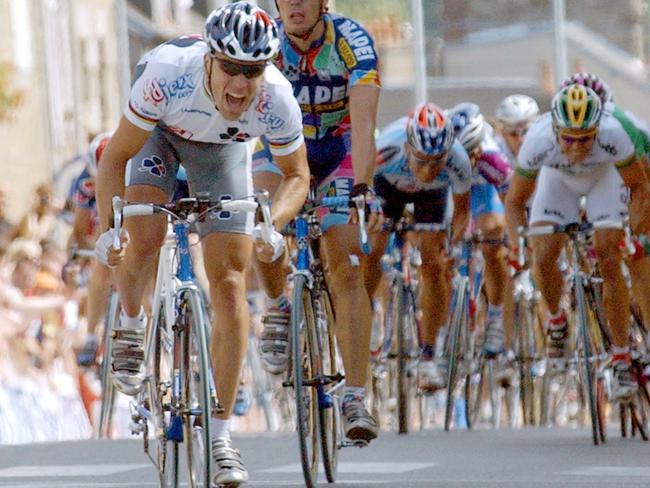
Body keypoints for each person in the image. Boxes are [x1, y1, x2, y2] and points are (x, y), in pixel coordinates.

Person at [94, 3, 309, 485]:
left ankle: (219, 436)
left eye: (252, 70)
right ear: (209, 58)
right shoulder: (167, 74)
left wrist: (273, 225)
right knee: (143, 234)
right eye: (230, 66)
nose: (240, 83)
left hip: (224, 153)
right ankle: (130, 321)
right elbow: (115, 158)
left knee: (230, 283)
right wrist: (112, 226)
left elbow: (297, 176)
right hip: (159, 136)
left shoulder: (276, 97)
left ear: (267, 69)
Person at [252, 0, 382, 442]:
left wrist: (363, 187)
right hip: (283, 152)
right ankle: (277, 305)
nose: (295, 4)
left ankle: (356, 395)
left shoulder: (352, 41)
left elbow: (364, 126)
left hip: (337, 153)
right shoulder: (264, 40)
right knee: (260, 219)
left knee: (346, 261)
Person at [505, 84, 650, 401]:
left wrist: (634, 233)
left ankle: (622, 356)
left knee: (609, 253)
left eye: (585, 138)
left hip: (604, 179)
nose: (577, 146)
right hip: (557, 182)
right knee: (542, 253)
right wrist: (517, 243)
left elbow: (639, 188)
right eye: (568, 137)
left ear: (598, 128)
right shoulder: (538, 141)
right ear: (555, 129)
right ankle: (557, 320)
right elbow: (515, 202)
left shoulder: (615, 134)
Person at [367, 103, 471, 390]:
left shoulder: (459, 159)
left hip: (432, 197)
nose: (428, 168)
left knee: (434, 266)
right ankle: (368, 313)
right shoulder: (386, 147)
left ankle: (428, 354)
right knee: (373, 250)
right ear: (408, 147)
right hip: (387, 187)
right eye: (422, 160)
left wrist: (451, 245)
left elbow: (462, 213)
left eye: (437, 161)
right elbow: (362, 187)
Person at [447, 102, 512, 357]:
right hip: (454, 193)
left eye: (471, 153)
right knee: (438, 253)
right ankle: (444, 334)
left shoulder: (492, 157)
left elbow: (512, 202)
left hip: (484, 190)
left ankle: (495, 316)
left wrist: (513, 238)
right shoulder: (443, 152)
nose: (467, 161)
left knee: (492, 236)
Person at [494, 94, 540, 166]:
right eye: (513, 134)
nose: (521, 140)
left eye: (526, 132)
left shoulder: (548, 147)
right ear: (502, 133)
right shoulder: (494, 153)